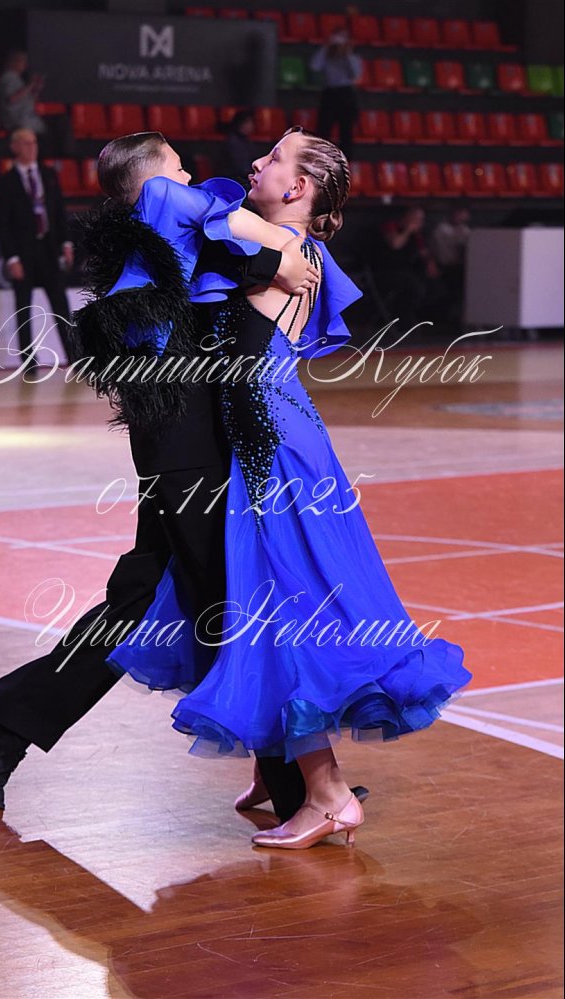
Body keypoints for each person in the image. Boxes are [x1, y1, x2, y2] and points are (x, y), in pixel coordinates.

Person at [0, 131, 366, 824]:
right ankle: (302, 786)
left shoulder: (190, 228)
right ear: (154, 179)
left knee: (147, 595)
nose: (195, 176)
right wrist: (273, 252)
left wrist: (282, 249)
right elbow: (213, 230)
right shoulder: (165, 206)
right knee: (228, 593)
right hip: (180, 430)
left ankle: (14, 717)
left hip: (192, 427)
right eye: (179, 167)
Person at [106, 128, 472, 850]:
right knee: (264, 606)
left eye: (273, 159)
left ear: (298, 189)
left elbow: (171, 206)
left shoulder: (288, 254)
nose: (255, 163)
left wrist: (251, 241)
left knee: (281, 614)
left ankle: (326, 795)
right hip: (274, 438)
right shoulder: (284, 250)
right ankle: (285, 777)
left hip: (269, 451)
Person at [0, 128, 74, 377]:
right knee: (24, 308)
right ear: (15, 147)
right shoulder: (7, 182)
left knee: (61, 305)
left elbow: (59, 211)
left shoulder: (48, 175)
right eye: (26, 143)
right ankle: (29, 361)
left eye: (34, 143)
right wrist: (12, 258)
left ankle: (75, 356)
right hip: (23, 251)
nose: (31, 148)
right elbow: (2, 224)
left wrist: (66, 243)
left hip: (48, 248)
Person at [368, 206, 441, 327]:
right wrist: (407, 230)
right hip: (386, 270)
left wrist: (431, 264)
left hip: (406, 270)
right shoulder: (391, 226)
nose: (419, 223)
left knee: (435, 287)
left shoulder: (417, 235)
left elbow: (424, 252)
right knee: (414, 287)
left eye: (421, 220)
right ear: (407, 217)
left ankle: (420, 318)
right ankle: (398, 319)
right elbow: (395, 244)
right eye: (416, 219)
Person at [310, 31, 363, 159]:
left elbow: (356, 74)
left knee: (346, 131)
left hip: (346, 93)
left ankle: (346, 161)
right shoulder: (327, 56)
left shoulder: (353, 57)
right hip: (330, 93)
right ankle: (321, 159)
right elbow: (314, 66)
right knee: (323, 130)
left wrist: (347, 52)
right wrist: (327, 47)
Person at [431, 206, 471, 323]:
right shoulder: (441, 229)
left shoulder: (465, 229)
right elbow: (444, 253)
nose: (461, 217)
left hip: (461, 267)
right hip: (445, 266)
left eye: (464, 214)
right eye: (459, 213)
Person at [0, 50, 46, 137]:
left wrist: (36, 88)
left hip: (27, 119)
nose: (25, 65)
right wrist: (31, 84)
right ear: (13, 62)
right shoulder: (8, 77)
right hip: (17, 121)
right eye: (22, 61)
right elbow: (12, 99)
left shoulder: (18, 79)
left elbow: (30, 100)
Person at [220, 109, 255, 185]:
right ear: (242, 124)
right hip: (233, 181)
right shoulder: (233, 142)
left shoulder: (246, 140)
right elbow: (241, 168)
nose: (252, 126)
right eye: (250, 122)